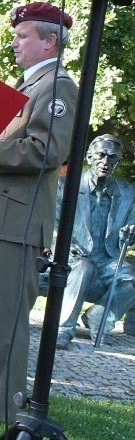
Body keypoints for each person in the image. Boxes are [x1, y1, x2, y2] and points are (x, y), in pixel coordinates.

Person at [0, 2, 78, 422]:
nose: (14, 41)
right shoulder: (29, 84)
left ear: (50, 41)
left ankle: (2, 404)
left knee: (6, 318)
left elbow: (47, 152)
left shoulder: (58, 86)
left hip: (16, 218)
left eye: (23, 36)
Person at [56, 134, 135, 349]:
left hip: (107, 258)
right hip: (72, 255)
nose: (106, 162)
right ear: (89, 157)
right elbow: (51, 224)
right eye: (100, 155)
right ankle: (63, 329)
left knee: (131, 278)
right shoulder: (65, 186)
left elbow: (132, 228)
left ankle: (98, 319)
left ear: (117, 162)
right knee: (84, 268)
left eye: (112, 158)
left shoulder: (129, 194)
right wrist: (63, 244)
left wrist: (130, 234)